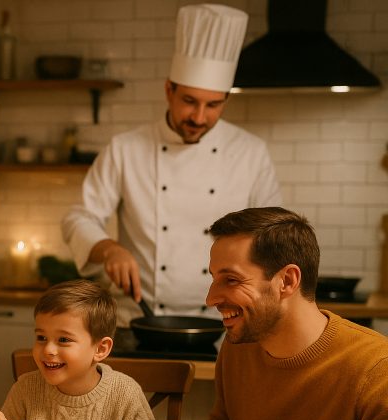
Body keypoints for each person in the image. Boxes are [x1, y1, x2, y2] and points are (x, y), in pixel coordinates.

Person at [117, 207, 388, 420]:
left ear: (287, 280)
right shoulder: (239, 348)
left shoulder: (376, 367)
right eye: (213, 278)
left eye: (231, 280)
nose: (211, 298)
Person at [62, 4, 282, 331]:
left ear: (226, 100)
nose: (199, 117)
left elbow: (274, 237)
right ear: (169, 90)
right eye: (189, 101)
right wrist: (108, 250)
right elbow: (78, 219)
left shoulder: (251, 153)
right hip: (138, 321)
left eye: (213, 105)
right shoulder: (125, 149)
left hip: (225, 323)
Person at [0, 279, 156, 420]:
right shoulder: (26, 388)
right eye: (41, 337)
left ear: (100, 349)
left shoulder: (125, 392)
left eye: (63, 339)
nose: (48, 349)